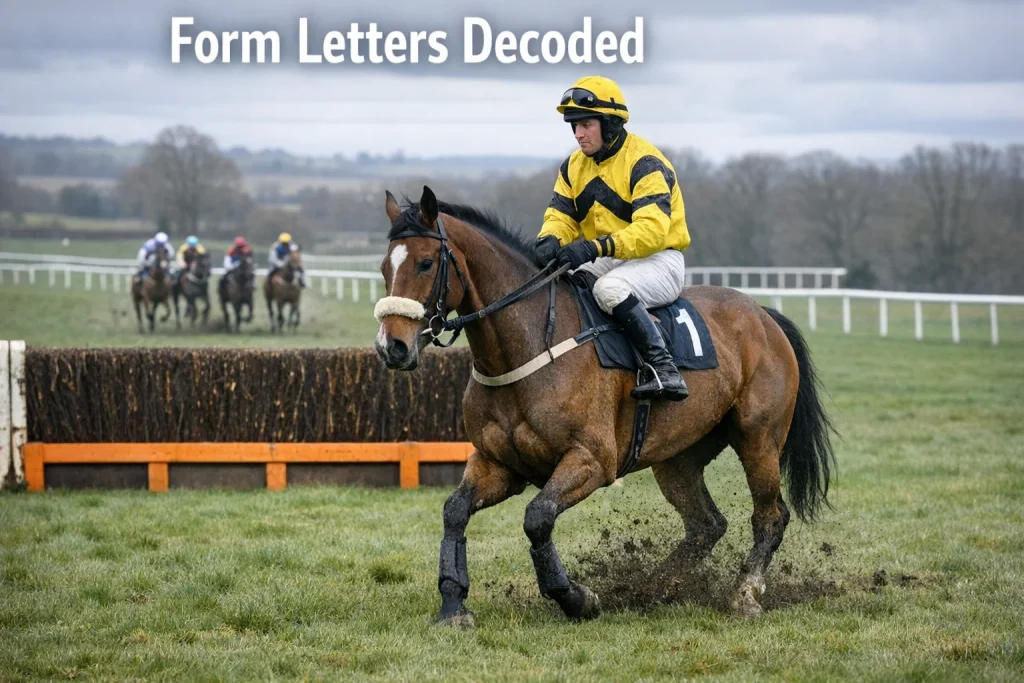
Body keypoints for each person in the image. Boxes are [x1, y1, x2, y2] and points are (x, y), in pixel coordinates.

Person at [534, 76, 691, 401]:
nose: (578, 134)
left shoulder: (646, 163)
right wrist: (549, 239)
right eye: (574, 126)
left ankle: (665, 370)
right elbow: (561, 216)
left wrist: (593, 247)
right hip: (610, 258)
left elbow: (650, 232)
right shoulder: (573, 167)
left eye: (586, 125)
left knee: (609, 289)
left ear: (609, 125)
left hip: (659, 260)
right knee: (564, 283)